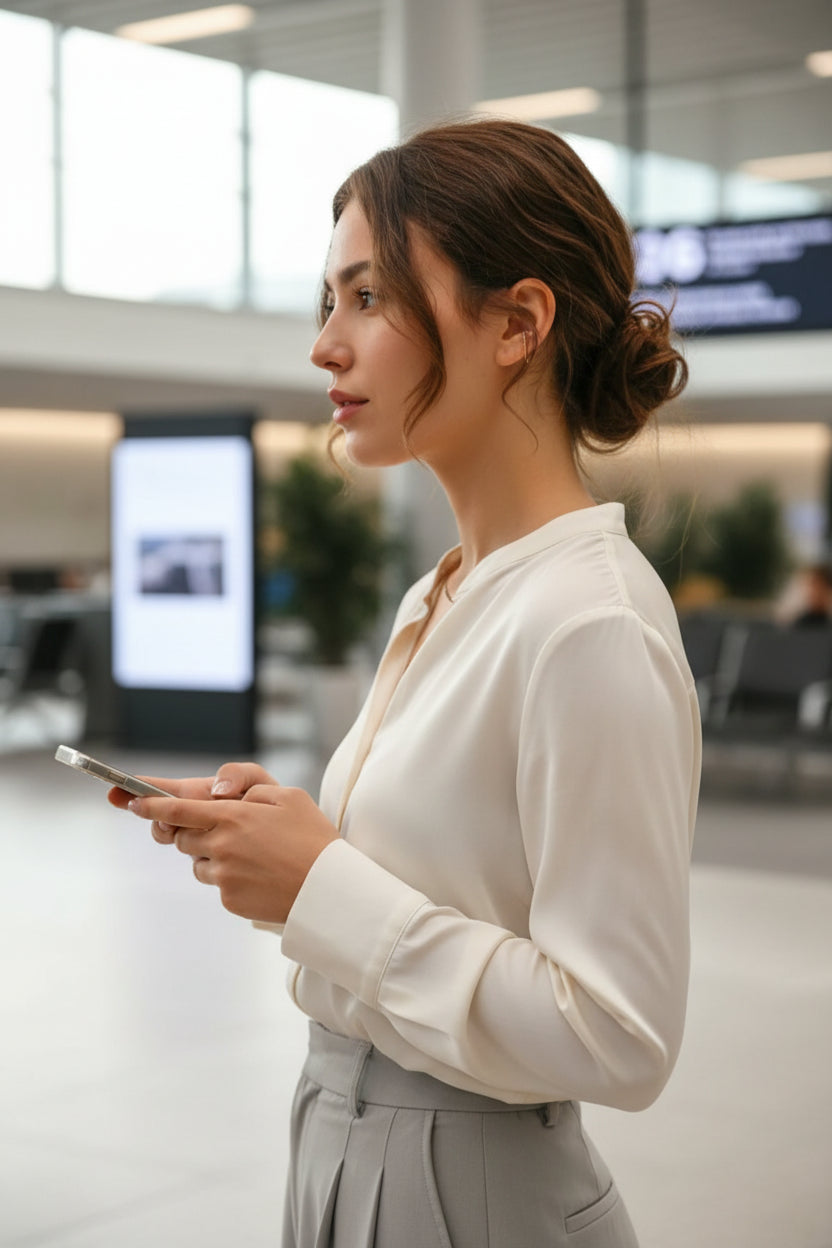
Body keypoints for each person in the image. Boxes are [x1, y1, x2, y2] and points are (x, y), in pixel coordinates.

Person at [111, 118, 701, 1247]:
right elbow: (442, 890)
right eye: (327, 301)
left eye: (368, 297)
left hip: (472, 1189)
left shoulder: (589, 622)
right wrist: (287, 845)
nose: (325, 346)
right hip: (342, 1137)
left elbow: (619, 1038)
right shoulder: (445, 592)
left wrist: (322, 884)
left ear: (517, 323)